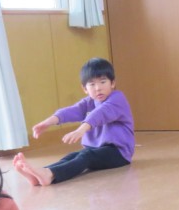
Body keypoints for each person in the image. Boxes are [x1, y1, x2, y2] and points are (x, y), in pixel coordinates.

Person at [14, 57, 134, 186]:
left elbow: (100, 114)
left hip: (118, 153)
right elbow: (72, 111)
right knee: (72, 156)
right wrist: (48, 122)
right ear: (85, 88)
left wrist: (81, 130)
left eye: (103, 82)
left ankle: (50, 175)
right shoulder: (89, 102)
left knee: (86, 156)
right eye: (92, 84)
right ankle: (41, 174)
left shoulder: (117, 99)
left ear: (112, 83)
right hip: (97, 150)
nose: (98, 88)